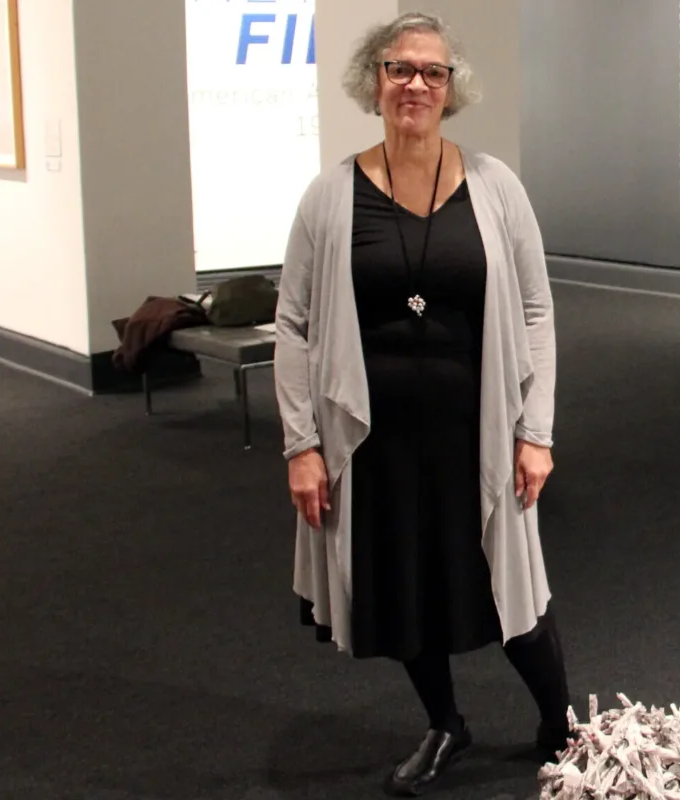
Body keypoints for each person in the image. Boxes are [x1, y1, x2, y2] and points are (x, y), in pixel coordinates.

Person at [271, 12, 570, 797]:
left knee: (512, 592)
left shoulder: (497, 188)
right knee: (401, 584)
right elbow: (294, 323)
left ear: (451, 88)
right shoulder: (330, 196)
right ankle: (446, 722)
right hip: (375, 441)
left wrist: (534, 431)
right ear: (374, 81)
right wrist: (302, 445)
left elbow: (537, 312)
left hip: (479, 430)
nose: (415, 85)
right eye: (400, 69)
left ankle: (558, 724)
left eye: (431, 73)